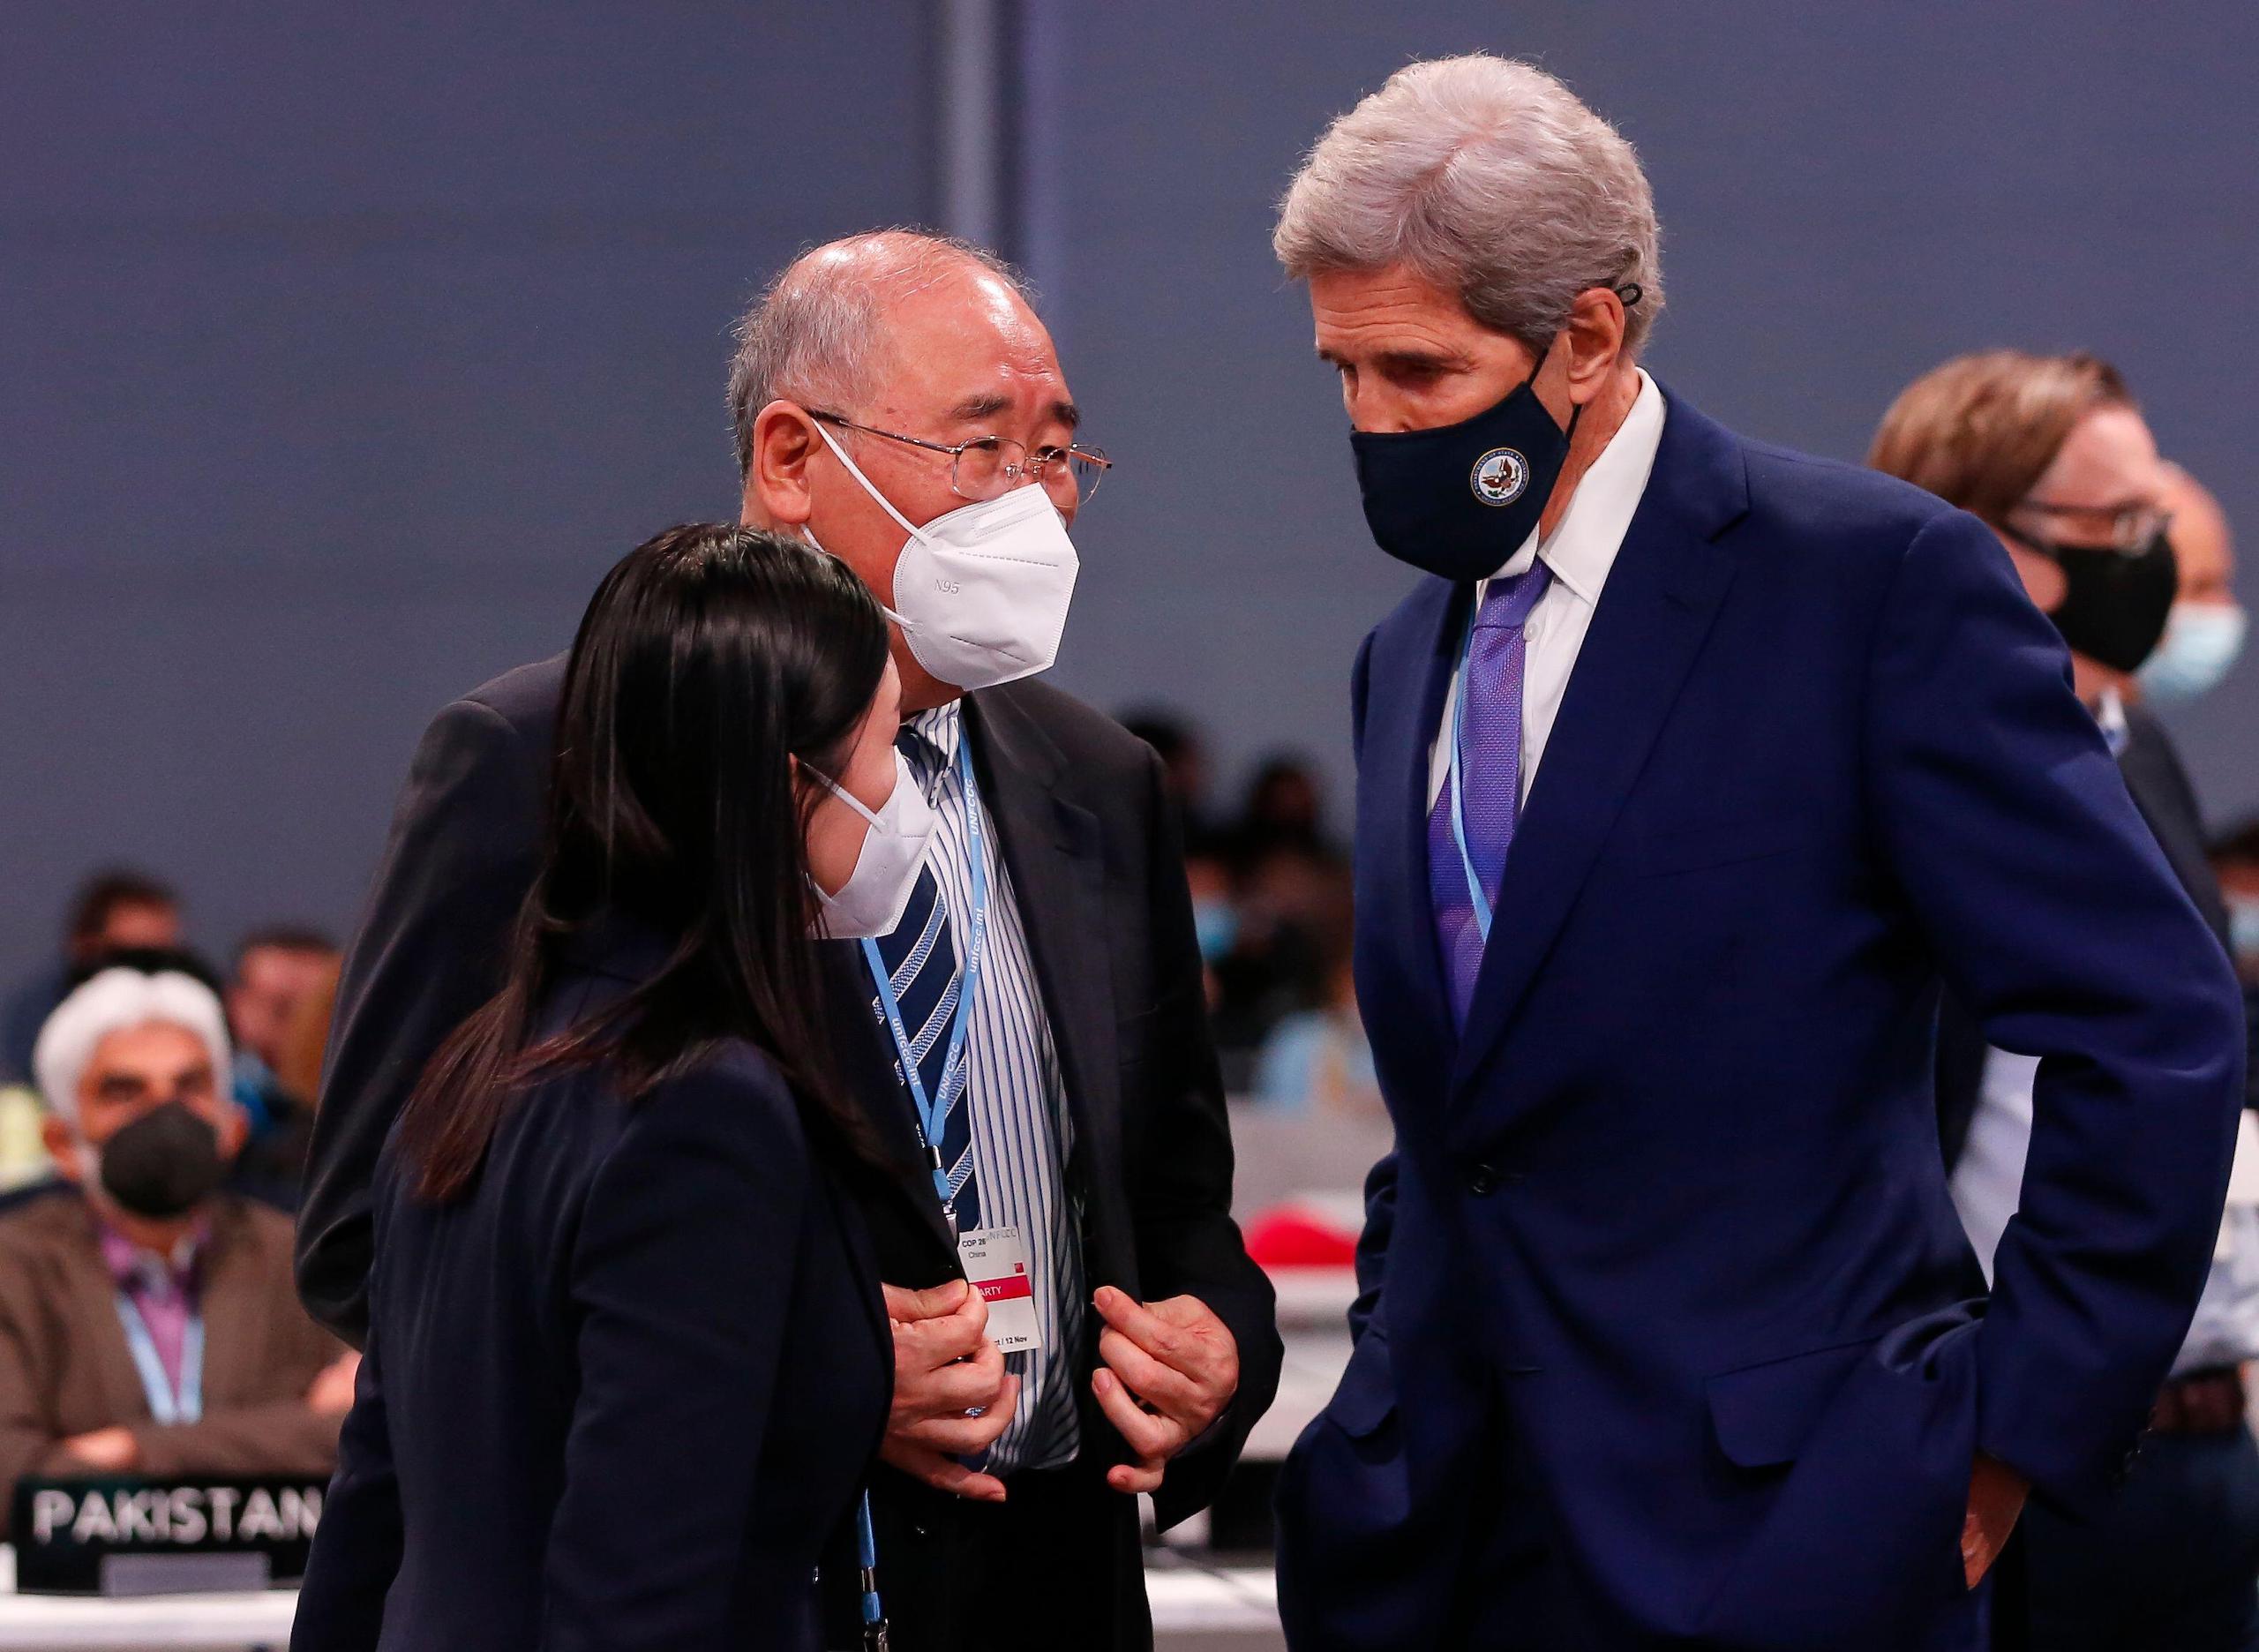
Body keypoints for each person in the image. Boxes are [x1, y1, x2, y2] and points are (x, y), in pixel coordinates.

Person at [1266, 55, 2244, 1652]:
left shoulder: (1867, 587)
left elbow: (2153, 1019)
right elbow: (1473, 1109)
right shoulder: (1407, 655)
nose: (1372, 422)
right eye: (1344, 373)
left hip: (1802, 1534)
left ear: (1587, 336)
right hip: (1440, 1539)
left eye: (1421, 373)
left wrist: (2008, 1424)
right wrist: (1383, 1375)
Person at [297, 231, 1279, 1652]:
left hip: (1058, 1581)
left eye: (1059, 455)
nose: (1040, 505)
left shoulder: (1100, 780)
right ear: (792, 457)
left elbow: (1179, 1195)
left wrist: (1221, 1349)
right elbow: (381, 1238)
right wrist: (788, 1359)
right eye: (982, 449)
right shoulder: (548, 754)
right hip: (755, 1573)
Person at [293, 526, 899, 1650]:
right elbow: (639, 1594)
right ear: (783, 786)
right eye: (885, 746)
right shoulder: (702, 1110)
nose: (899, 791)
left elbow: (371, 1518)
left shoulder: (478, 1063)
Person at [1874, 355, 2259, 1650]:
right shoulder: (1886, 766)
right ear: (1977, 540)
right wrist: (2004, 1426)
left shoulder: (2126, 736)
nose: (2147, 564)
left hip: (2197, 1433)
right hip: (2007, 1433)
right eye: (2118, 531)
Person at [0, 965, 351, 1535]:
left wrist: (129, 1450)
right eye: (123, 1090)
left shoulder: (307, 1259)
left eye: (190, 1087)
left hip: (270, 1617)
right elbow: (11, 1478)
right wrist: (277, 1438)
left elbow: (361, 1437)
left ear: (232, 1128)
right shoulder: (12, 1268)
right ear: (61, 1142)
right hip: (71, 1619)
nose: (164, 1113)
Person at [0, 869, 181, 1085]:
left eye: (162, 959)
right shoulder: (37, 1018)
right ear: (85, 946)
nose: (143, 974)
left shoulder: (191, 1015)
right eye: (128, 957)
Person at [2140, 463, 2246, 705]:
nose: (2223, 608)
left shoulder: (2134, 737)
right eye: (2201, 586)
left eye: (2223, 584)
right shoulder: (2041, 735)